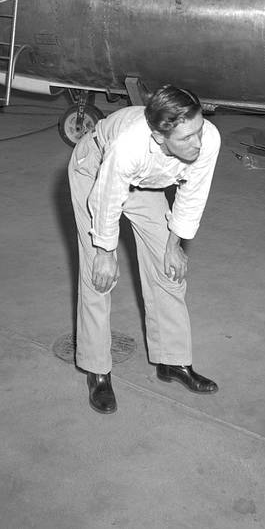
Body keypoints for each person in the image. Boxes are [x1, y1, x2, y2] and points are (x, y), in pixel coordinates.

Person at [68, 85, 221, 414]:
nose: (198, 143)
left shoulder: (207, 137)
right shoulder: (130, 146)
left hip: (144, 180)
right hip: (95, 171)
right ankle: (97, 371)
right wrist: (105, 253)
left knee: (169, 269)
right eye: (187, 138)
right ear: (159, 137)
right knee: (98, 276)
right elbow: (106, 198)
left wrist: (174, 244)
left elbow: (194, 193)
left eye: (199, 130)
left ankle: (173, 361)